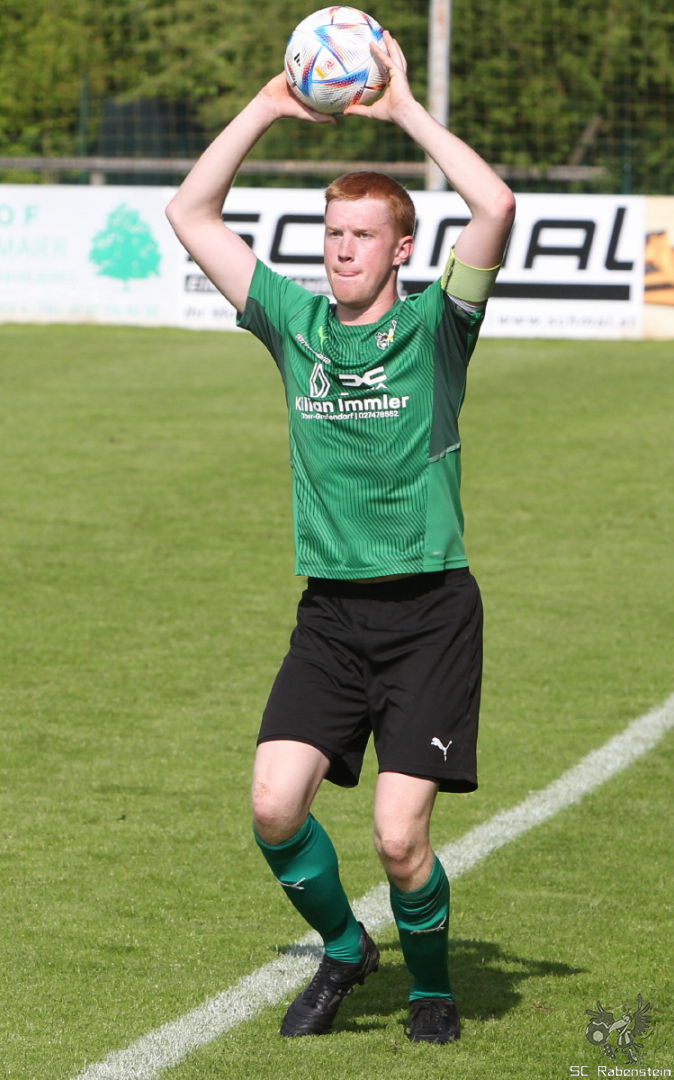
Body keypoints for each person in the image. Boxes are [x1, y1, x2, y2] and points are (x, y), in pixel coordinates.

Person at [166, 31, 515, 1045]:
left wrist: (401, 107)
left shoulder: (438, 329)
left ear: (403, 249)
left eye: (363, 235)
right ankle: (347, 948)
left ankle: (430, 989)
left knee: (400, 839)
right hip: (331, 615)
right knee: (274, 807)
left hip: (429, 613)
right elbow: (190, 213)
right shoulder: (295, 323)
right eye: (332, 233)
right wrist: (271, 105)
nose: (341, 250)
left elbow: (494, 206)